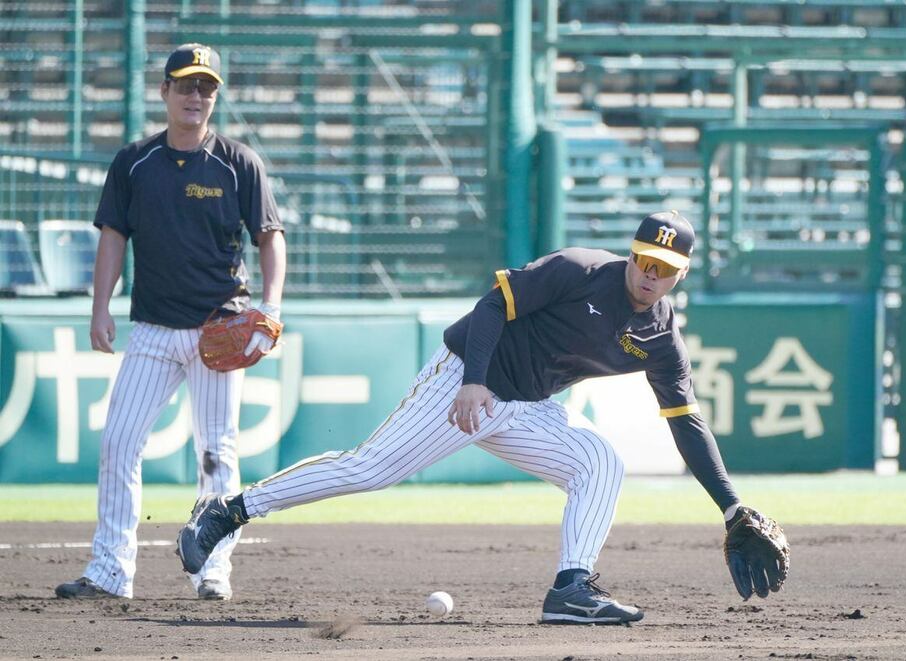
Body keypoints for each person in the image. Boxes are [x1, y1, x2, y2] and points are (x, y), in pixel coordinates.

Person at [177, 211, 773, 623]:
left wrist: (731, 507)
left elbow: (685, 422)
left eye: (663, 268)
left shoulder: (662, 336)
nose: (649, 274)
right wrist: (473, 381)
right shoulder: (580, 269)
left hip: (527, 406)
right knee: (370, 469)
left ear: (679, 274)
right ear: (632, 253)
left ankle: (572, 589)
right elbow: (493, 304)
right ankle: (228, 510)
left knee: (600, 463)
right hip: (469, 379)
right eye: (644, 259)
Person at [55, 44, 286, 601]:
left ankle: (212, 569)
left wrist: (271, 309)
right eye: (185, 85)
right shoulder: (135, 162)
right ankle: (110, 572)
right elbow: (113, 235)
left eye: (206, 87)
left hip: (219, 330)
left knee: (215, 454)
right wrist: (99, 308)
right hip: (154, 330)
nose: (196, 96)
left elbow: (270, 237)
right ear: (163, 92)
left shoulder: (238, 161)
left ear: (215, 96)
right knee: (119, 441)